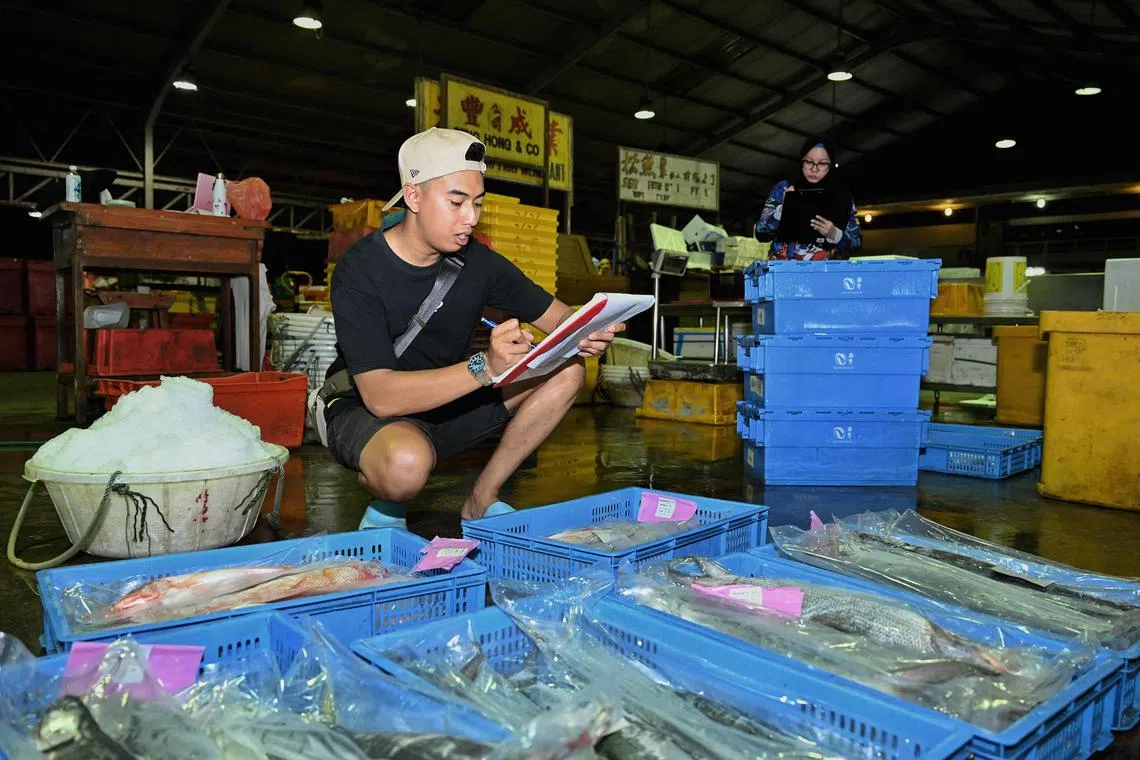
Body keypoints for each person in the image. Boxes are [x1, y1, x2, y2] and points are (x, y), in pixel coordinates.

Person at [317, 128, 623, 527]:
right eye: (456, 202)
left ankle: (481, 498)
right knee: (404, 465)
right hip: (368, 410)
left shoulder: (478, 263)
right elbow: (381, 397)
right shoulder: (360, 270)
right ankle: (388, 501)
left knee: (567, 371)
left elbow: (558, 317)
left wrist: (588, 327)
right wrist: (486, 367)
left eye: (477, 203)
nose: (471, 218)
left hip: (449, 402)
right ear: (413, 197)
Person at [754, 135, 863, 261]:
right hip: (783, 269)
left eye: (822, 163)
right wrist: (781, 211)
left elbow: (857, 242)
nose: (814, 169)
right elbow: (760, 233)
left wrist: (835, 234)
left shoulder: (842, 196)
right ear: (801, 161)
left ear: (831, 165)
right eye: (809, 162)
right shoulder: (784, 189)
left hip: (825, 271)